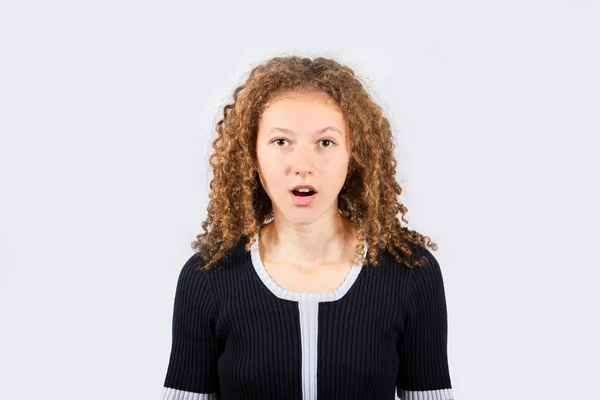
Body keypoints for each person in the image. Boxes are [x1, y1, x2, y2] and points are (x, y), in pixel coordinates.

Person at [160, 55, 454, 400]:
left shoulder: (410, 273)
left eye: (325, 142)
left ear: (353, 154)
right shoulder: (207, 276)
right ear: (252, 155)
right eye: (281, 141)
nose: (303, 165)